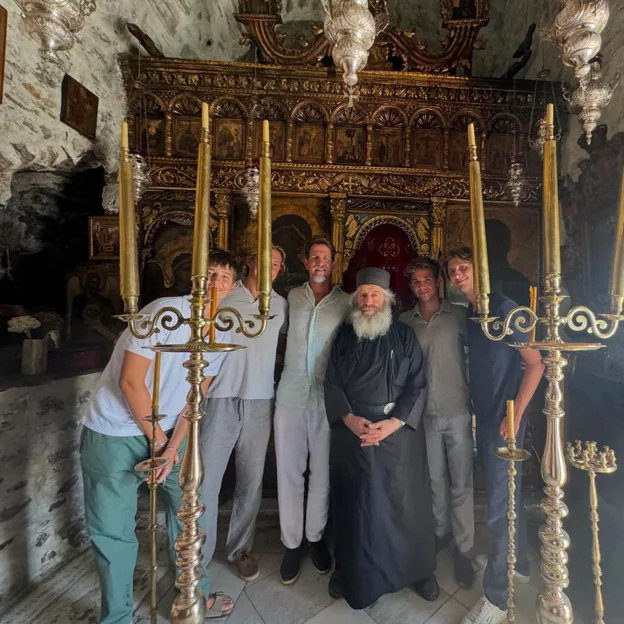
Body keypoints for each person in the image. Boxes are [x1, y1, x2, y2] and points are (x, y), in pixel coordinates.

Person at [80, 249, 240, 623]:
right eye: (210, 274)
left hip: (170, 433)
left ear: (233, 288)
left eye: (224, 278)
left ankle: (192, 595)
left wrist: (171, 449)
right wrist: (158, 444)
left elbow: (194, 396)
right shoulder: (162, 312)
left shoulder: (223, 330)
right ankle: (118, 617)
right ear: (196, 278)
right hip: (114, 430)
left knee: (189, 512)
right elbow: (131, 382)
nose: (215, 283)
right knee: (113, 533)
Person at [324, 267, 438, 609]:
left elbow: (417, 383)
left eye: (374, 294)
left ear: (387, 299)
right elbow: (331, 381)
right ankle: (348, 570)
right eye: (362, 295)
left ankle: (417, 570)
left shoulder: (403, 335)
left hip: (396, 435)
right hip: (353, 433)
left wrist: (393, 423)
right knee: (354, 507)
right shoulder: (344, 335)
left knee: (404, 504)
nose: (368, 301)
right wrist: (349, 418)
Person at [445, 247, 544, 624]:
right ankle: (516, 564)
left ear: (480, 271)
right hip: (486, 418)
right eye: (452, 270)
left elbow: (536, 364)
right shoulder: (473, 313)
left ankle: (497, 599)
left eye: (464, 267)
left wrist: (516, 412)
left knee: (500, 509)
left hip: (505, 421)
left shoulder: (505, 309)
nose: (457, 274)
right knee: (506, 499)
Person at [200, 246, 288, 582]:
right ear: (250, 261)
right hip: (219, 397)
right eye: (266, 261)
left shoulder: (280, 305)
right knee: (206, 481)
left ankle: (240, 549)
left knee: (250, 482)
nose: (271, 268)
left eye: (277, 264)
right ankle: (199, 553)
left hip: (259, 401)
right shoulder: (224, 295)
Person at [274, 237, 351, 584]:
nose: (320, 262)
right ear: (306, 262)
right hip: (289, 395)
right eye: (315, 257)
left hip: (326, 398)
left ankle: (316, 539)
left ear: (334, 264)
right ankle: (292, 543)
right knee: (289, 472)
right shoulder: (292, 298)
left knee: (321, 472)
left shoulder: (346, 303)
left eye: (326, 258)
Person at [400, 257, 475, 589]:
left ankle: (465, 548)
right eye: (415, 281)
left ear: (437, 281)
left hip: (458, 410)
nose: (422, 285)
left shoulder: (459, 316)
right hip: (423, 415)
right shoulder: (405, 322)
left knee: (461, 483)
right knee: (434, 480)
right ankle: (441, 533)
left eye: (427, 279)